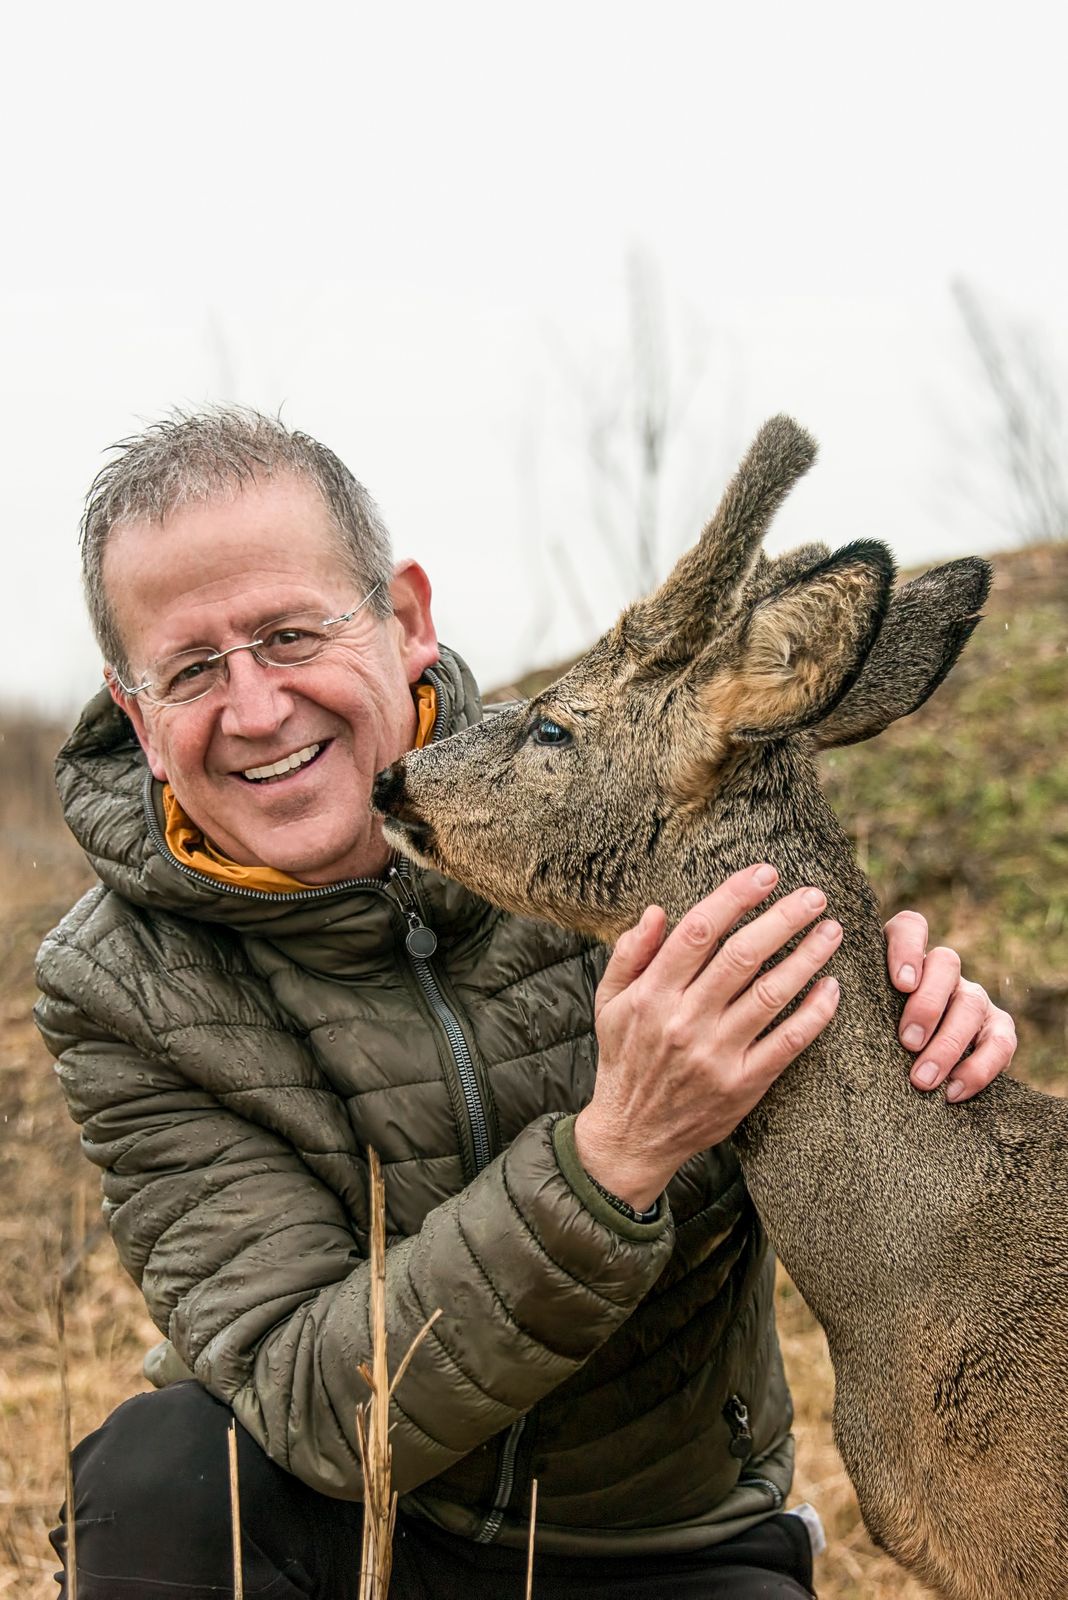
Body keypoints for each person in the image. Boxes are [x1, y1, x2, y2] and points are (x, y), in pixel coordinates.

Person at [36, 408, 1017, 1600]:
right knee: (168, 1476)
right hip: (372, 1531)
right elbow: (304, 1388)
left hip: (661, 1544)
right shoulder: (117, 982)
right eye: (191, 670)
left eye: (290, 634)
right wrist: (615, 1152)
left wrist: (901, 1037)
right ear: (135, 715)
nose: (254, 709)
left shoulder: (607, 824)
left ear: (403, 620)